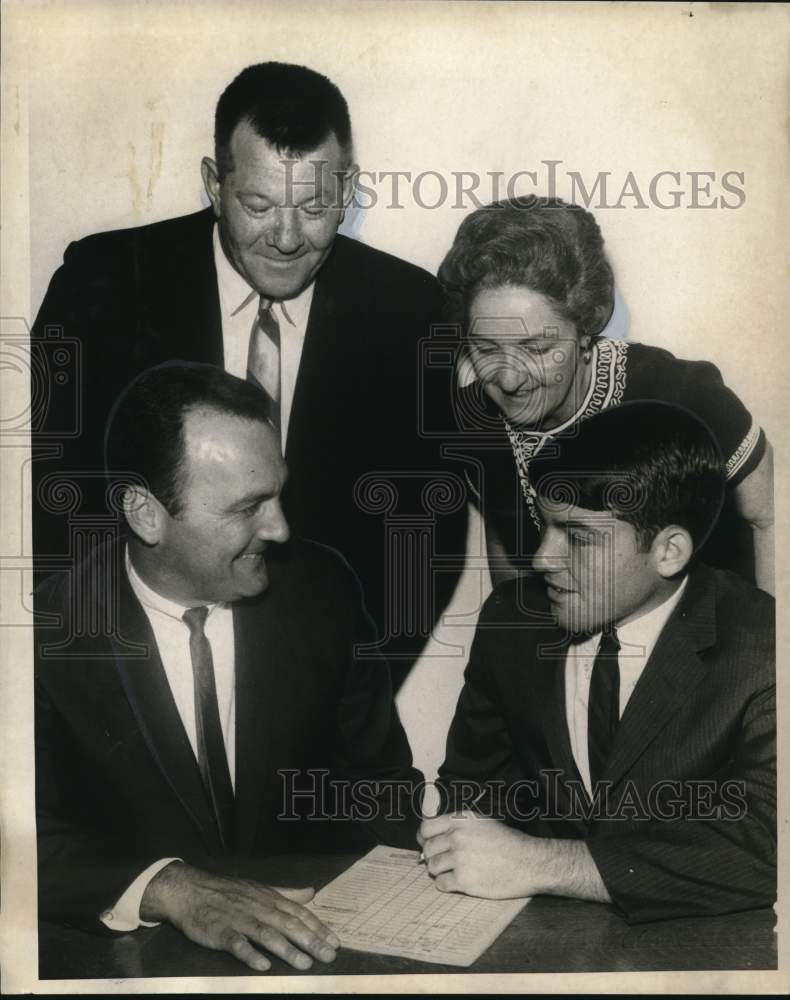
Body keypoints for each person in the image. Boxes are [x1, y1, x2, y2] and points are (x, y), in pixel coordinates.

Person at [31, 61, 466, 665]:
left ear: (346, 189)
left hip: (323, 675)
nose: (287, 238)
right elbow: (45, 493)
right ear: (215, 183)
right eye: (258, 205)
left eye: (315, 207)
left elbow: (425, 532)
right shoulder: (102, 283)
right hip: (125, 664)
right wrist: (100, 678)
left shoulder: (411, 312)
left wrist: (347, 687)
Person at [34, 363, 423, 972]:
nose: (281, 528)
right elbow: (21, 839)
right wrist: (171, 888)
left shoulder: (322, 590)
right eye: (248, 508)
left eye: (278, 494)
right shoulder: (41, 634)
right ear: (144, 513)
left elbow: (379, 787)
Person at [419, 402, 775, 923]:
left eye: (578, 537)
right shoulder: (512, 622)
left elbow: (767, 846)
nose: (542, 558)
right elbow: (475, 796)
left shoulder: (763, 648)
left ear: (669, 551)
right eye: (545, 527)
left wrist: (547, 863)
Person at [437, 197, 774, 593]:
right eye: (487, 349)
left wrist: (765, 646)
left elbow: (770, 517)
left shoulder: (681, 395)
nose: (509, 380)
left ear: (584, 331)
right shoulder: (474, 419)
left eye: (536, 349)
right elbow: (506, 545)